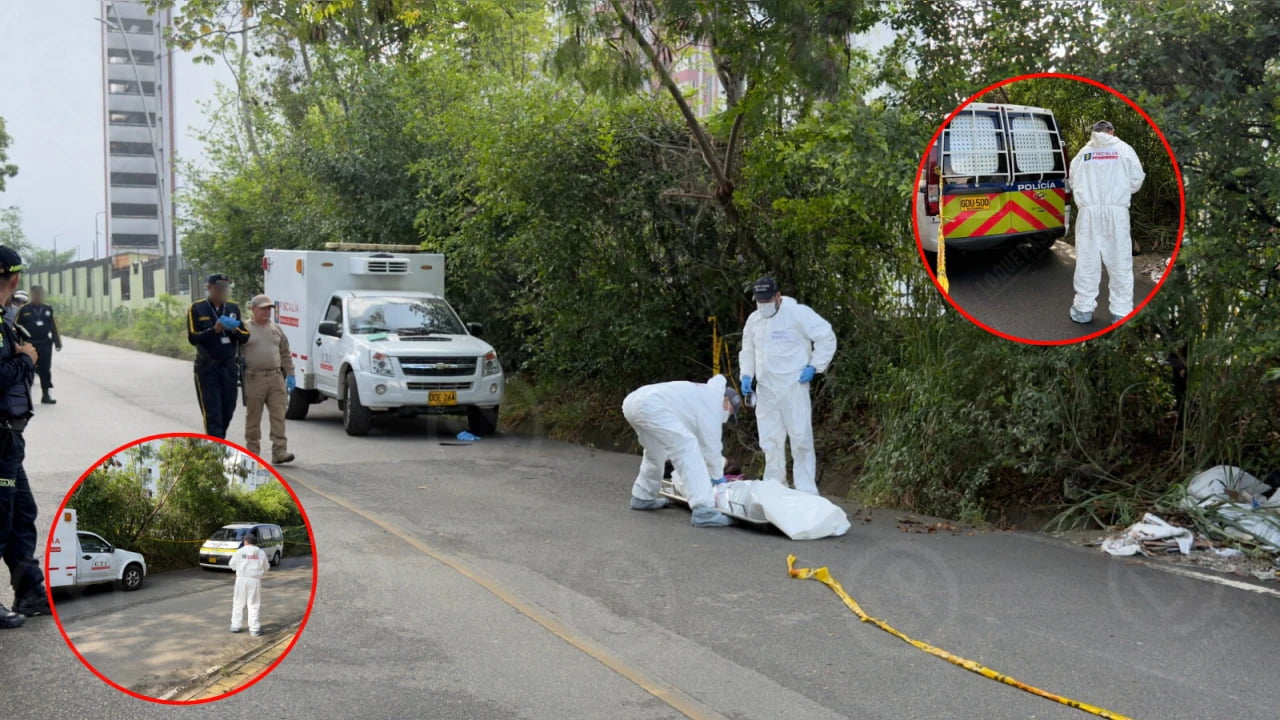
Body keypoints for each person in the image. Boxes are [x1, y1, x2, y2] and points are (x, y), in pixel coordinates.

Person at [739, 276, 837, 495]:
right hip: (765, 389)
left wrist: (815, 366)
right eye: (759, 300)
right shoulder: (754, 320)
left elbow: (826, 337)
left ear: (778, 296)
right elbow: (748, 350)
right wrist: (747, 375)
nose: (763, 305)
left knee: (800, 438)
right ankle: (775, 486)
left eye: (767, 299)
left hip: (793, 385)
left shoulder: (797, 314)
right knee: (769, 440)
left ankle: (806, 490)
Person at [0, 248, 49, 627]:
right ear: (15, 280)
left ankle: (30, 592)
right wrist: (26, 359)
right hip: (0, 441)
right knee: (1, 519)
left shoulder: (6, 319)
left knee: (21, 515)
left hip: (9, 442)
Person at [622, 375, 741, 527]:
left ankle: (642, 496)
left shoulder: (702, 394)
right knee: (687, 447)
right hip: (651, 405)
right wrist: (717, 477)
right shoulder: (713, 403)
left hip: (633, 401)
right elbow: (711, 447)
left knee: (655, 452)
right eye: (730, 411)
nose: (727, 415)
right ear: (725, 400)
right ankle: (703, 510)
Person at [1068, 120, 1146, 325]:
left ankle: (1083, 309)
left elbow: (1072, 180)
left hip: (1088, 213)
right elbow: (1136, 181)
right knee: (1120, 263)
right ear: (1112, 131)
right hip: (1116, 211)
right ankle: (1121, 313)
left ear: (1094, 133)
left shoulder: (1082, 155)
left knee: (1087, 263)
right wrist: (1118, 192)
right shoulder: (1124, 150)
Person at [187, 274, 249, 438]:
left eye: (225, 288)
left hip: (229, 368)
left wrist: (234, 329)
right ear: (209, 287)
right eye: (219, 288)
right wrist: (214, 330)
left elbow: (245, 336)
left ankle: (218, 441)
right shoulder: (197, 308)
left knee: (228, 410)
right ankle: (216, 450)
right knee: (213, 414)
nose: (222, 291)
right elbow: (193, 338)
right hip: (208, 368)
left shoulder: (233, 309)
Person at [243, 295, 295, 464]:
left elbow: (285, 352)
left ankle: (279, 451)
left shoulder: (276, 329)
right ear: (253, 309)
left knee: (279, 415)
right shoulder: (244, 328)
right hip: (254, 378)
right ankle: (252, 451)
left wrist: (291, 374)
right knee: (253, 417)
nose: (267, 312)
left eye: (269, 309)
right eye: (263, 308)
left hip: (275, 377)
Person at [17, 286, 62, 405]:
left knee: (45, 370)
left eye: (39, 294)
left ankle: (46, 394)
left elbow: (53, 327)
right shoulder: (24, 310)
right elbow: (16, 327)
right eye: (35, 294)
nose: (38, 296)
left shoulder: (47, 309)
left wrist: (57, 342)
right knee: (28, 370)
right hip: (30, 344)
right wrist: (16, 345)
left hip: (45, 344)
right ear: (32, 295)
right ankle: (26, 396)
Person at [228, 531, 270, 637]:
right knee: (253, 604)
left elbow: (231, 565)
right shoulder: (261, 552)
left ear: (245, 541)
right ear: (255, 542)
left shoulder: (240, 551)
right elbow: (266, 567)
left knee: (238, 603)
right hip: (254, 580)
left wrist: (240, 567)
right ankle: (254, 629)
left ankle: (235, 626)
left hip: (241, 580)